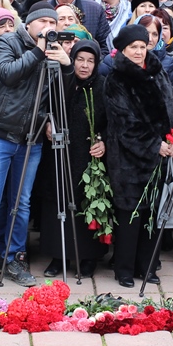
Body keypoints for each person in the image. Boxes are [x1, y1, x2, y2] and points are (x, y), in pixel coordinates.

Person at [0, 5, 73, 291]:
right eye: (43, 21)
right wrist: (38, 50)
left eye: (52, 21)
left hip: (30, 140)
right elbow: (9, 74)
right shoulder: (7, 41)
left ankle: (14, 259)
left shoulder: (54, 50)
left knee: (20, 205)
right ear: (30, 24)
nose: (48, 26)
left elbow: (59, 95)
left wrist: (66, 66)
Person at [40, 40, 108, 277]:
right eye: (80, 59)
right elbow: (45, 106)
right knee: (56, 202)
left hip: (88, 156)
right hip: (58, 152)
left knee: (85, 204)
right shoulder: (61, 80)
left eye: (90, 61)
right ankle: (58, 256)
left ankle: (88, 256)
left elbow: (113, 120)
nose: (85, 66)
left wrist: (104, 141)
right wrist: (47, 123)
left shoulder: (102, 86)